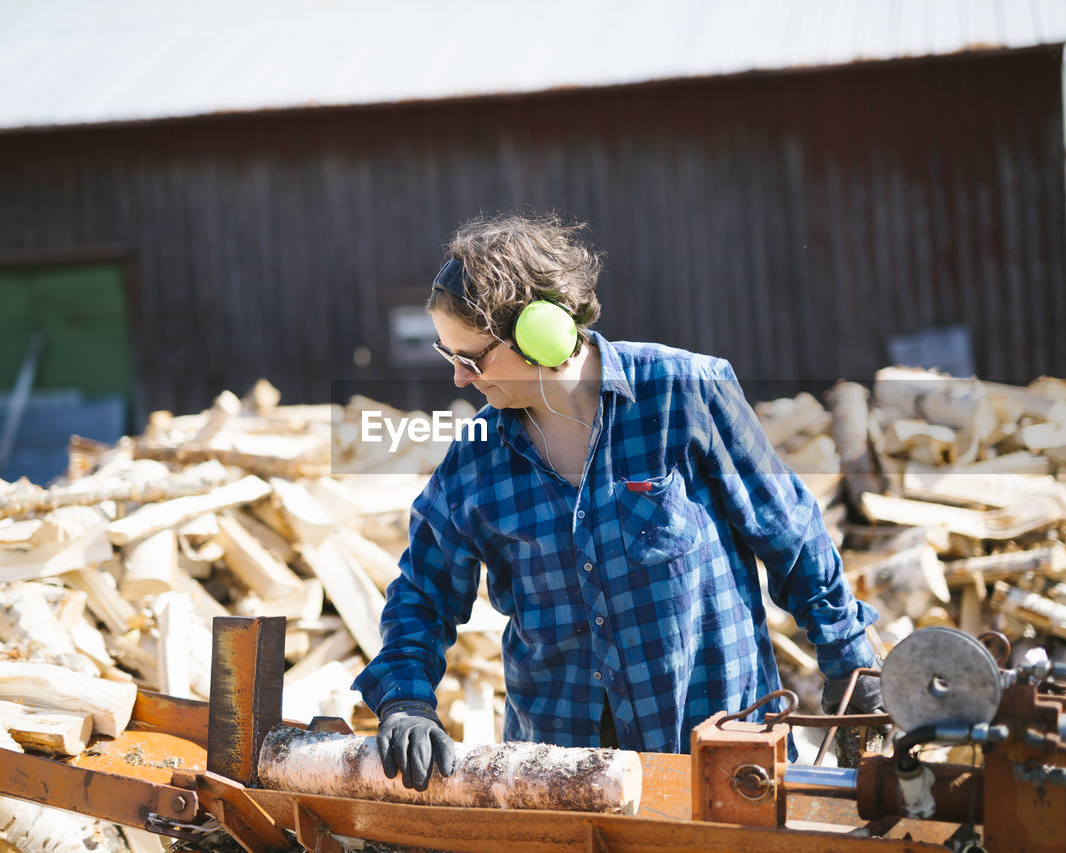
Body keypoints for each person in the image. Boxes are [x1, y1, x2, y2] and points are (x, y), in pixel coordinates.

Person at [351, 210, 882, 791]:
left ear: (542, 332)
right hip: (557, 776)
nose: (458, 379)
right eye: (447, 355)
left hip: (716, 756)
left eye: (472, 358)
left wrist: (849, 659)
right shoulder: (475, 458)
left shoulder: (683, 393)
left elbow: (791, 533)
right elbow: (421, 595)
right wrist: (406, 699)